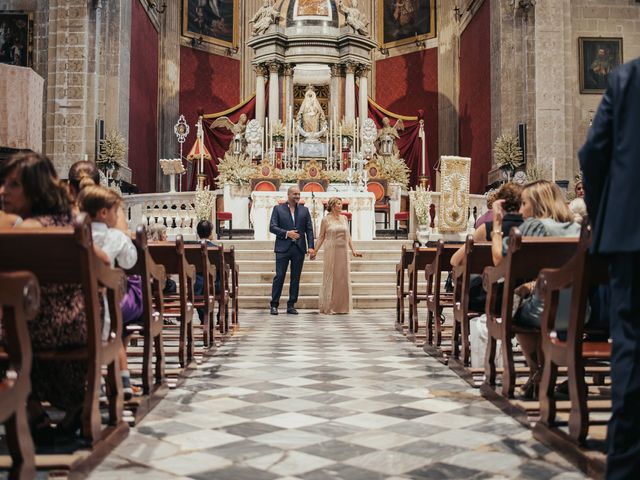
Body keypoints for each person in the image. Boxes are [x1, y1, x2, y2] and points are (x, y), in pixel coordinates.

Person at [579, 56, 640, 480]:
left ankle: (627, 465)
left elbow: (593, 153)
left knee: (633, 347)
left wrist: (604, 220)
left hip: (632, 235)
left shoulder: (629, 77)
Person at [0, 152, 87, 440]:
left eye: (13, 185)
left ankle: (30, 408)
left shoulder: (21, 229)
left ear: (34, 189)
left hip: (30, 327)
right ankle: (58, 406)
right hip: (76, 327)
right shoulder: (74, 222)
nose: (3, 191)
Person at [491, 180, 580, 398]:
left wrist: (496, 226)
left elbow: (498, 261)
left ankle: (537, 371)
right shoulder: (578, 229)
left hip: (546, 311)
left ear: (538, 205)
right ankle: (545, 372)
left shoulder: (534, 226)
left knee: (516, 308)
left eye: (523, 204)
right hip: (578, 309)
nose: (520, 210)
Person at [78, 182, 141, 400]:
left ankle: (89, 384)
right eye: (117, 211)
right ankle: (117, 382)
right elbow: (130, 260)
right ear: (104, 213)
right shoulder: (115, 237)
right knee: (115, 329)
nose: (118, 215)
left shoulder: (70, 235)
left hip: (71, 311)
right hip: (101, 314)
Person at [269, 186, 315, 315]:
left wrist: (311, 247)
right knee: (279, 276)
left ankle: (291, 305)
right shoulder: (278, 209)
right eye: (294, 194)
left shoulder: (305, 210)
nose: (297, 196)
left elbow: (309, 230)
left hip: (299, 248)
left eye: (298, 194)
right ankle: (274, 305)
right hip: (283, 248)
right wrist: (287, 233)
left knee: (296, 278)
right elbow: (272, 227)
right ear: (288, 195)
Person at [312, 197, 362, 314]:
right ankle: (331, 306)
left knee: (342, 278)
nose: (341, 206)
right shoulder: (325, 220)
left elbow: (348, 236)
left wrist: (353, 250)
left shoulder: (344, 218)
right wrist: (315, 251)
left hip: (343, 251)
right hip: (331, 250)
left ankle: (342, 307)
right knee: (332, 277)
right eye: (338, 204)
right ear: (333, 205)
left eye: (341, 203)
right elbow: (321, 236)